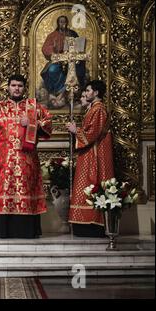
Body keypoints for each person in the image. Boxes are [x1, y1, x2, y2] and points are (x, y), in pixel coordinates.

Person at [0, 74, 52, 238]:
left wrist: (32, 123)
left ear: (24, 88)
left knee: (26, 192)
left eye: (20, 86)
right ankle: (3, 231)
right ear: (8, 87)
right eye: (13, 85)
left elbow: (48, 124)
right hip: (3, 160)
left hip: (26, 160)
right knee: (4, 191)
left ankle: (27, 231)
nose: (16, 88)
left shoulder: (33, 107)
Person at [66, 80, 114, 237]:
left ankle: (92, 224)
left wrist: (76, 130)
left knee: (90, 184)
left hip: (95, 154)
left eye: (88, 90)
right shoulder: (93, 109)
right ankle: (83, 225)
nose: (85, 93)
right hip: (89, 153)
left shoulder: (98, 109)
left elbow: (92, 133)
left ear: (96, 92)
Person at [41, 15, 86, 102]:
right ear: (58, 23)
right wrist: (53, 52)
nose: (62, 24)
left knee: (77, 70)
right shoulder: (53, 35)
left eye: (64, 22)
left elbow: (79, 45)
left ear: (67, 23)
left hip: (71, 59)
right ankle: (57, 92)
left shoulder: (72, 33)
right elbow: (45, 48)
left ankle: (72, 93)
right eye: (61, 22)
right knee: (51, 70)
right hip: (58, 59)